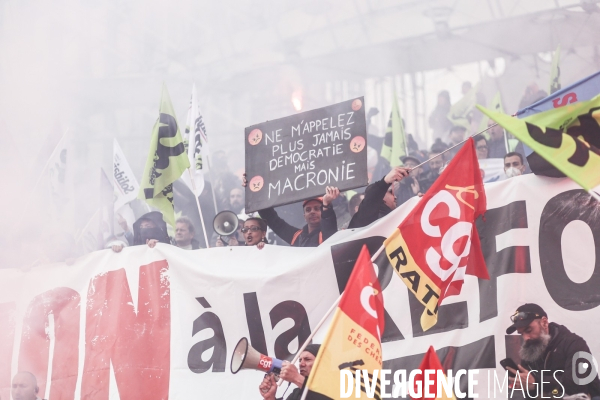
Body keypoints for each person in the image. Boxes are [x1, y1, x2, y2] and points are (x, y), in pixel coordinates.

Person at [505, 303, 600, 398]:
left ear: (544, 323)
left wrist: (537, 382)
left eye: (528, 330)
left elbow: (577, 385)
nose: (526, 338)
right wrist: (525, 384)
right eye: (521, 334)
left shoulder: (574, 343)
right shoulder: (529, 350)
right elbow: (531, 394)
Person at [258, 187, 339, 247]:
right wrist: (255, 191)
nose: (312, 212)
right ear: (304, 216)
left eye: (317, 208)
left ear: (323, 212)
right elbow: (272, 219)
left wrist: (326, 205)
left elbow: (329, 225)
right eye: (308, 210)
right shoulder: (296, 236)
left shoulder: (327, 236)